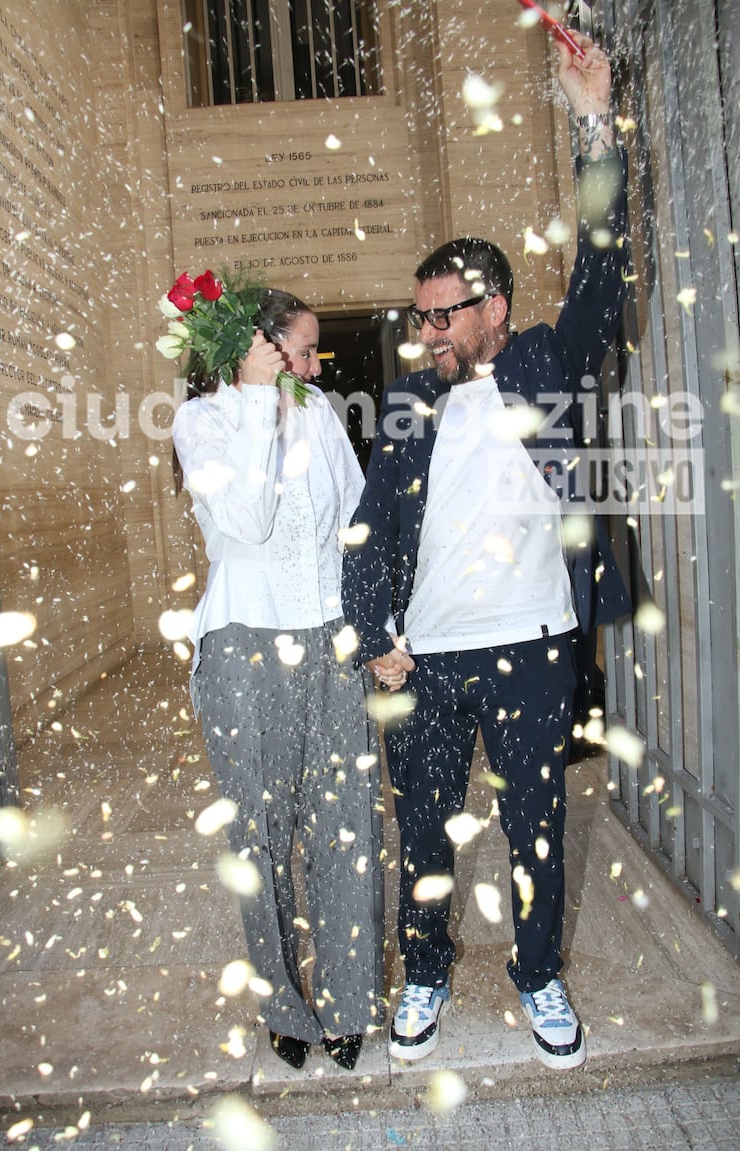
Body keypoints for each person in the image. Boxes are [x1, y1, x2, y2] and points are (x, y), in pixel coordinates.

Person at [341, 34, 631, 1070]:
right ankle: (424, 970)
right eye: (418, 316)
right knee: (422, 828)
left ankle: (537, 972)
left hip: (531, 645)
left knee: (534, 825)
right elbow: (370, 526)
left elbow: (602, 270)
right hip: (425, 655)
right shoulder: (406, 403)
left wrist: (593, 124)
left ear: (492, 308)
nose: (425, 331)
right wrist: (371, 632)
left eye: (441, 315)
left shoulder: (547, 360)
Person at [172, 288, 384, 1072]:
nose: (315, 366)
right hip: (243, 643)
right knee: (258, 836)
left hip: (330, 639)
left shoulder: (320, 410)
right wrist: (259, 400)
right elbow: (247, 521)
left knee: (346, 825)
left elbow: (356, 519)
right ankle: (282, 1005)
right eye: (301, 350)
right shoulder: (202, 421)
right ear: (256, 348)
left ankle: (348, 1000)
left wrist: (377, 625)